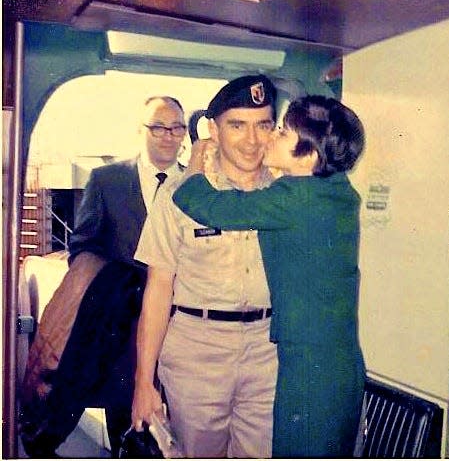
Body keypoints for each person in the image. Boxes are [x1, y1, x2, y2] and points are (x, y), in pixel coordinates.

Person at [173, 95, 367, 457]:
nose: (269, 137)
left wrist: (198, 153)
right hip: (337, 361)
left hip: (310, 366)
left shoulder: (295, 197)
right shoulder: (336, 191)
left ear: (308, 156)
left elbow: (203, 203)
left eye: (282, 132)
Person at [132, 75, 278, 458]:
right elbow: (158, 288)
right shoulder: (180, 192)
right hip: (197, 350)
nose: (251, 140)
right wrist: (143, 381)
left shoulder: (287, 192)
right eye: (237, 125)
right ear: (213, 130)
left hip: (268, 350)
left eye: (262, 125)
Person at [65, 95, 187, 456]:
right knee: (129, 430)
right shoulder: (106, 180)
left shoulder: (198, 185)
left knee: (184, 430)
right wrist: (116, 287)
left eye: (177, 127)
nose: (168, 135)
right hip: (123, 335)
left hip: (184, 331)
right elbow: (82, 247)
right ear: (141, 130)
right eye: (158, 127)